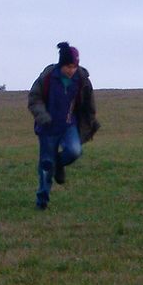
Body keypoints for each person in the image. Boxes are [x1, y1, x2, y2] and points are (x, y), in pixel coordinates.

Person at [28, 42, 100, 209]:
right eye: (68, 66)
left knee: (75, 151)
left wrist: (90, 121)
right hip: (48, 127)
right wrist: (42, 116)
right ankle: (42, 201)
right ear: (61, 64)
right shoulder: (48, 77)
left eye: (74, 66)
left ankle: (59, 163)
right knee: (46, 165)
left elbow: (89, 103)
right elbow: (34, 98)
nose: (71, 70)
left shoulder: (81, 79)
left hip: (69, 125)